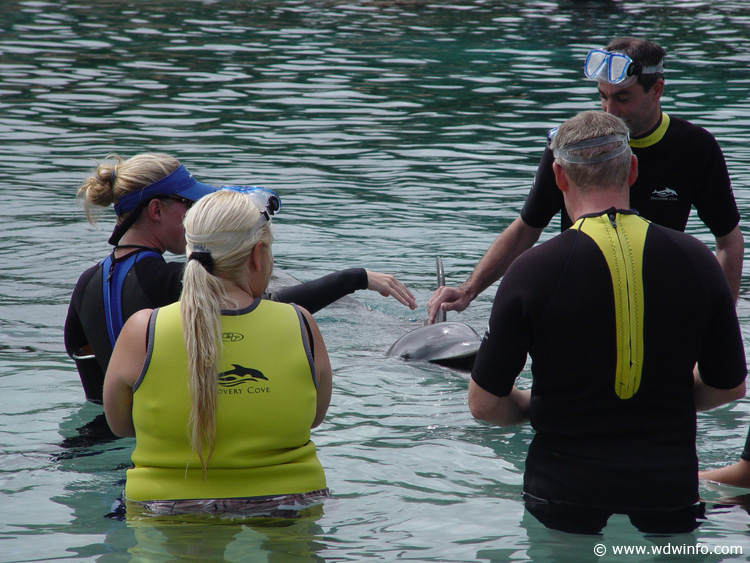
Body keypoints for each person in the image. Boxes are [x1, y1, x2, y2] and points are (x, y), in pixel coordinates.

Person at [468, 110, 746, 535]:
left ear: (559, 177)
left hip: (562, 493)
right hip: (668, 491)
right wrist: (664, 396)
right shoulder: (698, 262)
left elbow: (485, 405)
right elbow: (729, 387)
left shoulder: (531, 271)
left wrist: (540, 404)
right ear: (632, 168)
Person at [427, 36, 743, 323]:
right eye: (602, 97)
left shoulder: (696, 148)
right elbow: (526, 229)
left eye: (622, 98)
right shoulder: (574, 145)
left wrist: (722, 322)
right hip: (583, 300)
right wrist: (469, 290)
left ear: (657, 89)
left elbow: (728, 239)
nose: (609, 110)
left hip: (657, 304)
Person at [65, 152, 416, 405]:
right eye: (189, 205)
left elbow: (90, 373)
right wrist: (355, 277)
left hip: (104, 442)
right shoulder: (176, 278)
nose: (195, 216)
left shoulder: (86, 284)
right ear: (156, 210)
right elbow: (265, 310)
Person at [104, 187, 332, 514]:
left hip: (167, 508)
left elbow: (121, 425)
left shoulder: (144, 329)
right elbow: (313, 418)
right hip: (289, 503)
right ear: (257, 254)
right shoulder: (300, 323)